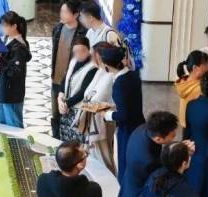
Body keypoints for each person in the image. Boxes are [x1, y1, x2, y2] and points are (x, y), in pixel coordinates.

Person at [100, 46, 145, 182]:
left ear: (107, 66)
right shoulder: (133, 75)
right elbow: (131, 101)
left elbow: (124, 115)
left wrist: (107, 115)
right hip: (139, 124)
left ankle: (124, 189)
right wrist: (115, 106)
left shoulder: (119, 83)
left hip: (127, 129)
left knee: (125, 163)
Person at [50, 0, 87, 138]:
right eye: (61, 11)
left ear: (76, 14)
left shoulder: (83, 33)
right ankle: (55, 140)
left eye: (65, 12)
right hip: (56, 78)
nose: (62, 14)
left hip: (72, 81)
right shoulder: (58, 29)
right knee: (55, 113)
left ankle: (67, 143)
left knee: (68, 113)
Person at [79, 42, 117, 174]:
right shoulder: (100, 70)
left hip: (103, 120)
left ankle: (108, 180)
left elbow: (97, 98)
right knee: (93, 154)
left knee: (103, 156)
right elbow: (87, 93)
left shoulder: (109, 75)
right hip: (93, 116)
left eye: (93, 55)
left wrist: (87, 102)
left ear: (99, 56)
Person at [57, 37, 97, 142]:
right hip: (66, 108)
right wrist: (60, 97)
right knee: (65, 141)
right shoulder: (73, 61)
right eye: (76, 51)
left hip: (78, 111)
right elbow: (65, 80)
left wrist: (66, 104)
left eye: (82, 50)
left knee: (76, 144)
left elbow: (83, 92)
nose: (79, 54)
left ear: (89, 49)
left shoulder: (93, 67)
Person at [0, 11, 31, 128]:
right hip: (4, 89)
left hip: (12, 93)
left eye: (5, 25)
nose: (2, 28)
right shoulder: (7, 39)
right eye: (2, 25)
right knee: (2, 125)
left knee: (13, 127)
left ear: (14, 26)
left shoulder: (19, 47)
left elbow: (15, 72)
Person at [174, 50, 208, 126]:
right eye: (206, 65)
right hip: (197, 126)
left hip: (185, 124)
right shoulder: (200, 89)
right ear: (195, 68)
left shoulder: (184, 81)